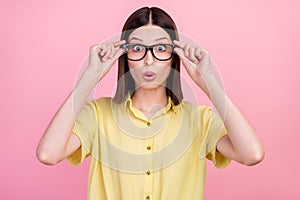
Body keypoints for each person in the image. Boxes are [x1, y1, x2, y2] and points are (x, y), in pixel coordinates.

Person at [36, 6, 265, 200]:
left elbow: (252, 154)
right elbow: (48, 154)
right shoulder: (97, 114)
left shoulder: (199, 119)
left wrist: (208, 83)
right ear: (124, 55)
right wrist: (89, 77)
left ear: (174, 55)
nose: (149, 60)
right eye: (137, 49)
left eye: (160, 49)